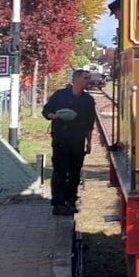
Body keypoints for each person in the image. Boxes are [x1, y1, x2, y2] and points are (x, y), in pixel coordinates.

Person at [42, 69, 97, 215]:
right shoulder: (60, 95)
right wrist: (54, 116)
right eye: (85, 78)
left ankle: (70, 200)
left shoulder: (88, 100)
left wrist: (89, 142)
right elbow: (46, 110)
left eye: (88, 78)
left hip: (77, 141)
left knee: (74, 173)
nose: (88, 81)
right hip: (61, 139)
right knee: (60, 171)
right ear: (76, 80)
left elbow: (89, 123)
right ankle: (58, 203)